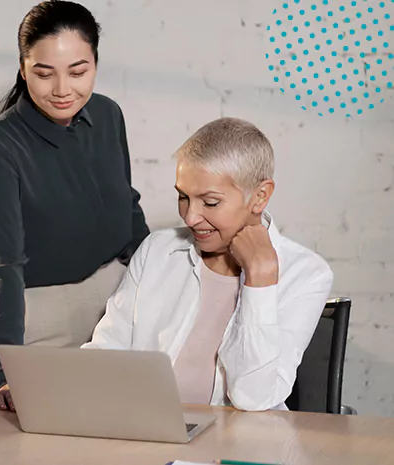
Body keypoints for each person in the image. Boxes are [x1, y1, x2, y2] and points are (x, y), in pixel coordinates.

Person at [83, 117, 334, 412]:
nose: (190, 218)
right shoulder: (158, 250)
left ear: (260, 196)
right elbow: (106, 353)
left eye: (210, 202)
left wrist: (260, 279)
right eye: (183, 197)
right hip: (148, 432)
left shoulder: (306, 275)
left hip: (240, 444)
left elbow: (253, 398)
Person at [0, 0, 149, 411]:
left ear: (96, 65)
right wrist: (5, 369)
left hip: (119, 304)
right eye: (44, 73)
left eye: (78, 71)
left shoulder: (107, 115)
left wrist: (160, 287)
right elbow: (4, 267)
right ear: (22, 68)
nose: (63, 89)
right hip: (45, 318)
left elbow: (128, 209)